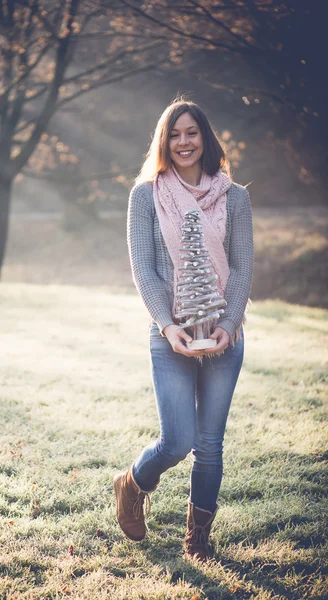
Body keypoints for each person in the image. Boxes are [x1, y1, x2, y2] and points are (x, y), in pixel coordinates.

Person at [113, 99, 254, 561]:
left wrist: (229, 325)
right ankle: (132, 483)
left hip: (223, 336)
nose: (184, 142)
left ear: (206, 138)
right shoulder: (145, 196)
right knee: (178, 440)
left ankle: (198, 539)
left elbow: (241, 267)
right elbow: (144, 268)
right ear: (163, 141)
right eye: (174, 134)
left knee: (210, 445)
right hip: (168, 334)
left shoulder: (235, 198)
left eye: (192, 133)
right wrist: (168, 325)